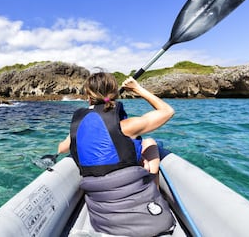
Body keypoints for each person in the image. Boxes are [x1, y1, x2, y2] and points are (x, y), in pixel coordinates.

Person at [58, 72, 175, 236]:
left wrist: (76, 133)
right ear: (114, 94)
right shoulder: (127, 126)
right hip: (151, 223)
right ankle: (153, 191)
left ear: (88, 96)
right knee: (150, 143)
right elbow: (167, 111)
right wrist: (138, 89)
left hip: (103, 224)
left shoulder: (78, 128)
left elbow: (61, 148)